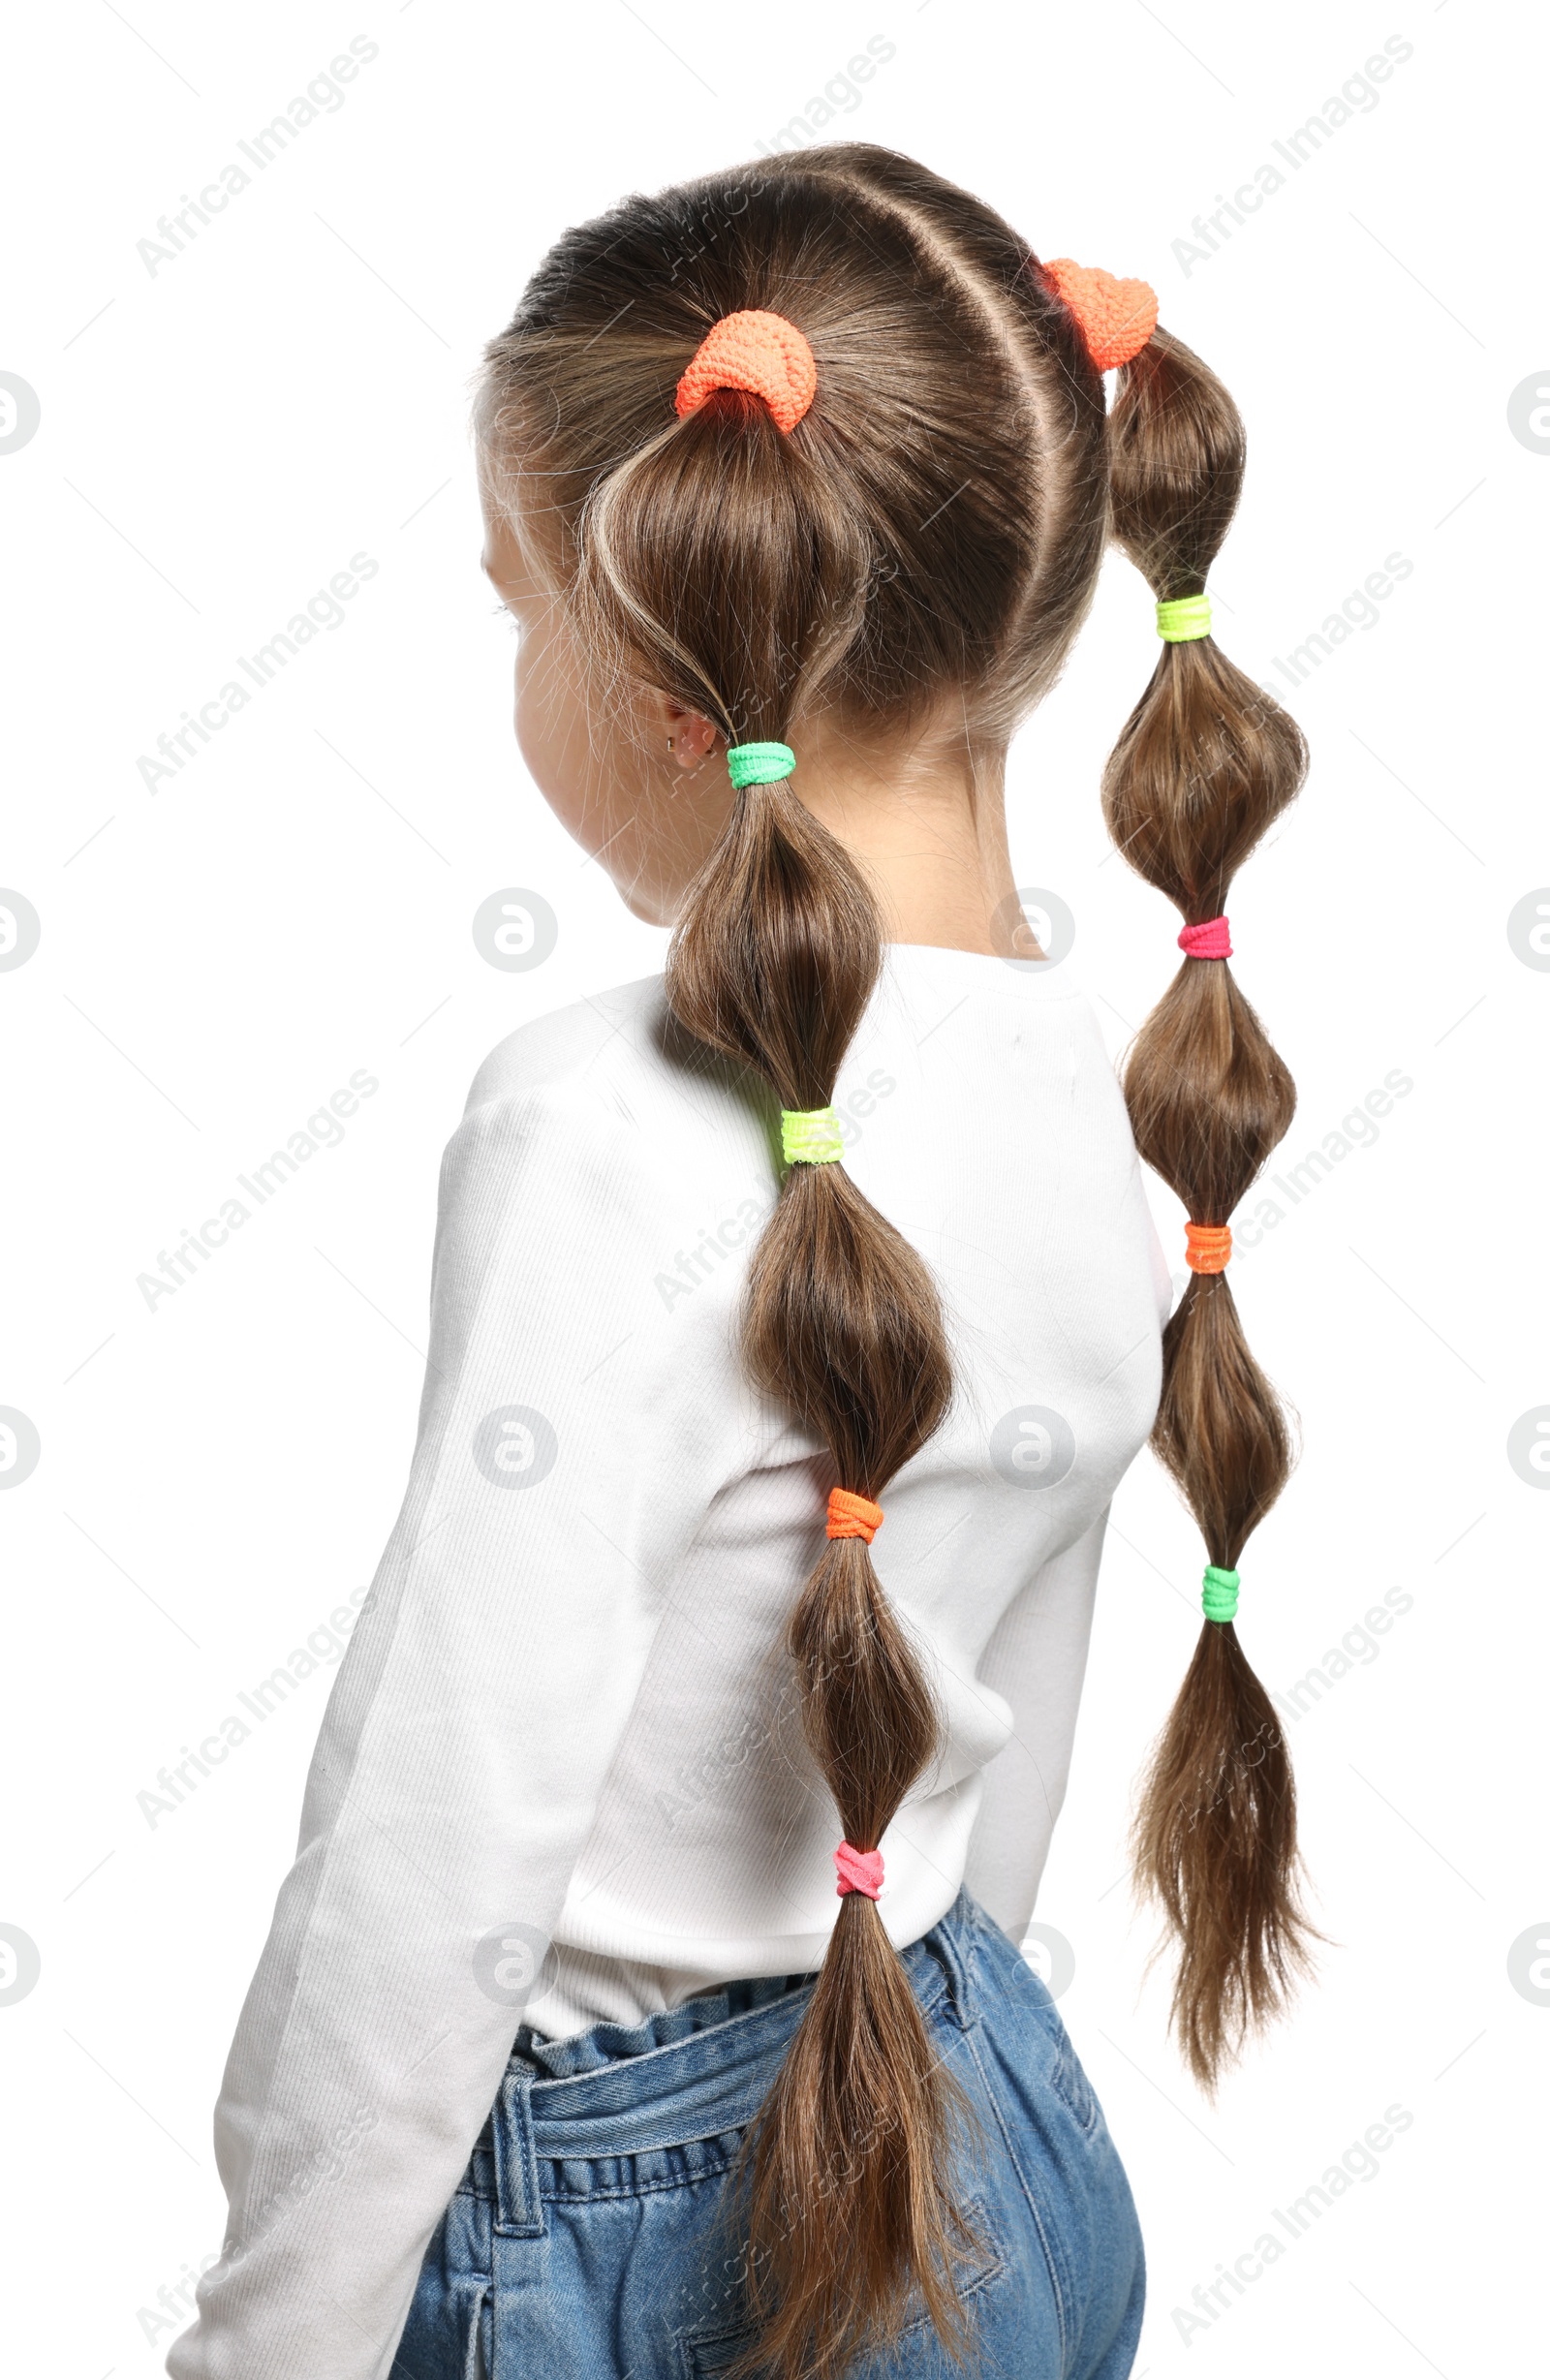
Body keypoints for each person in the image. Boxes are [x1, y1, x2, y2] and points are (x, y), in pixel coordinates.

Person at [169, 144, 1317, 2380]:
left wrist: (267, 2343)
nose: (517, 660)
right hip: (980, 2124)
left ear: (673, 653)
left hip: (647, 2231)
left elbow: (439, 1828)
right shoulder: (1109, 1077)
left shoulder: (598, 1109)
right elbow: (1008, 1682)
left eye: (518, 602)